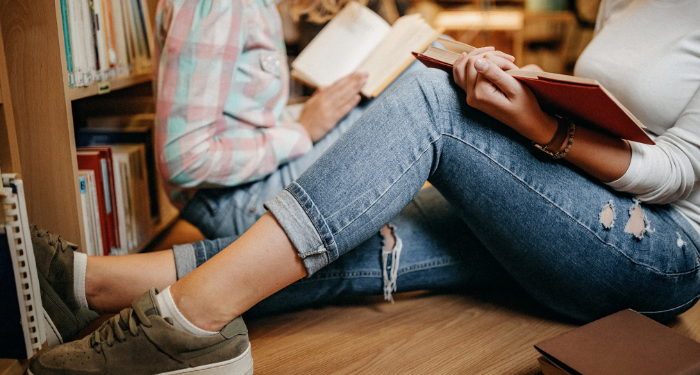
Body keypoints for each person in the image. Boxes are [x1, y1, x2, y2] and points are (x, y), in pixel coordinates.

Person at [28, 0, 700, 374]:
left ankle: (187, 319)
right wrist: (521, 98)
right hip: (581, 203)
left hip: (659, 250)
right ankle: (99, 284)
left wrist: (535, 122)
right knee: (378, 223)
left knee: (434, 96)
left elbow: (673, 171)